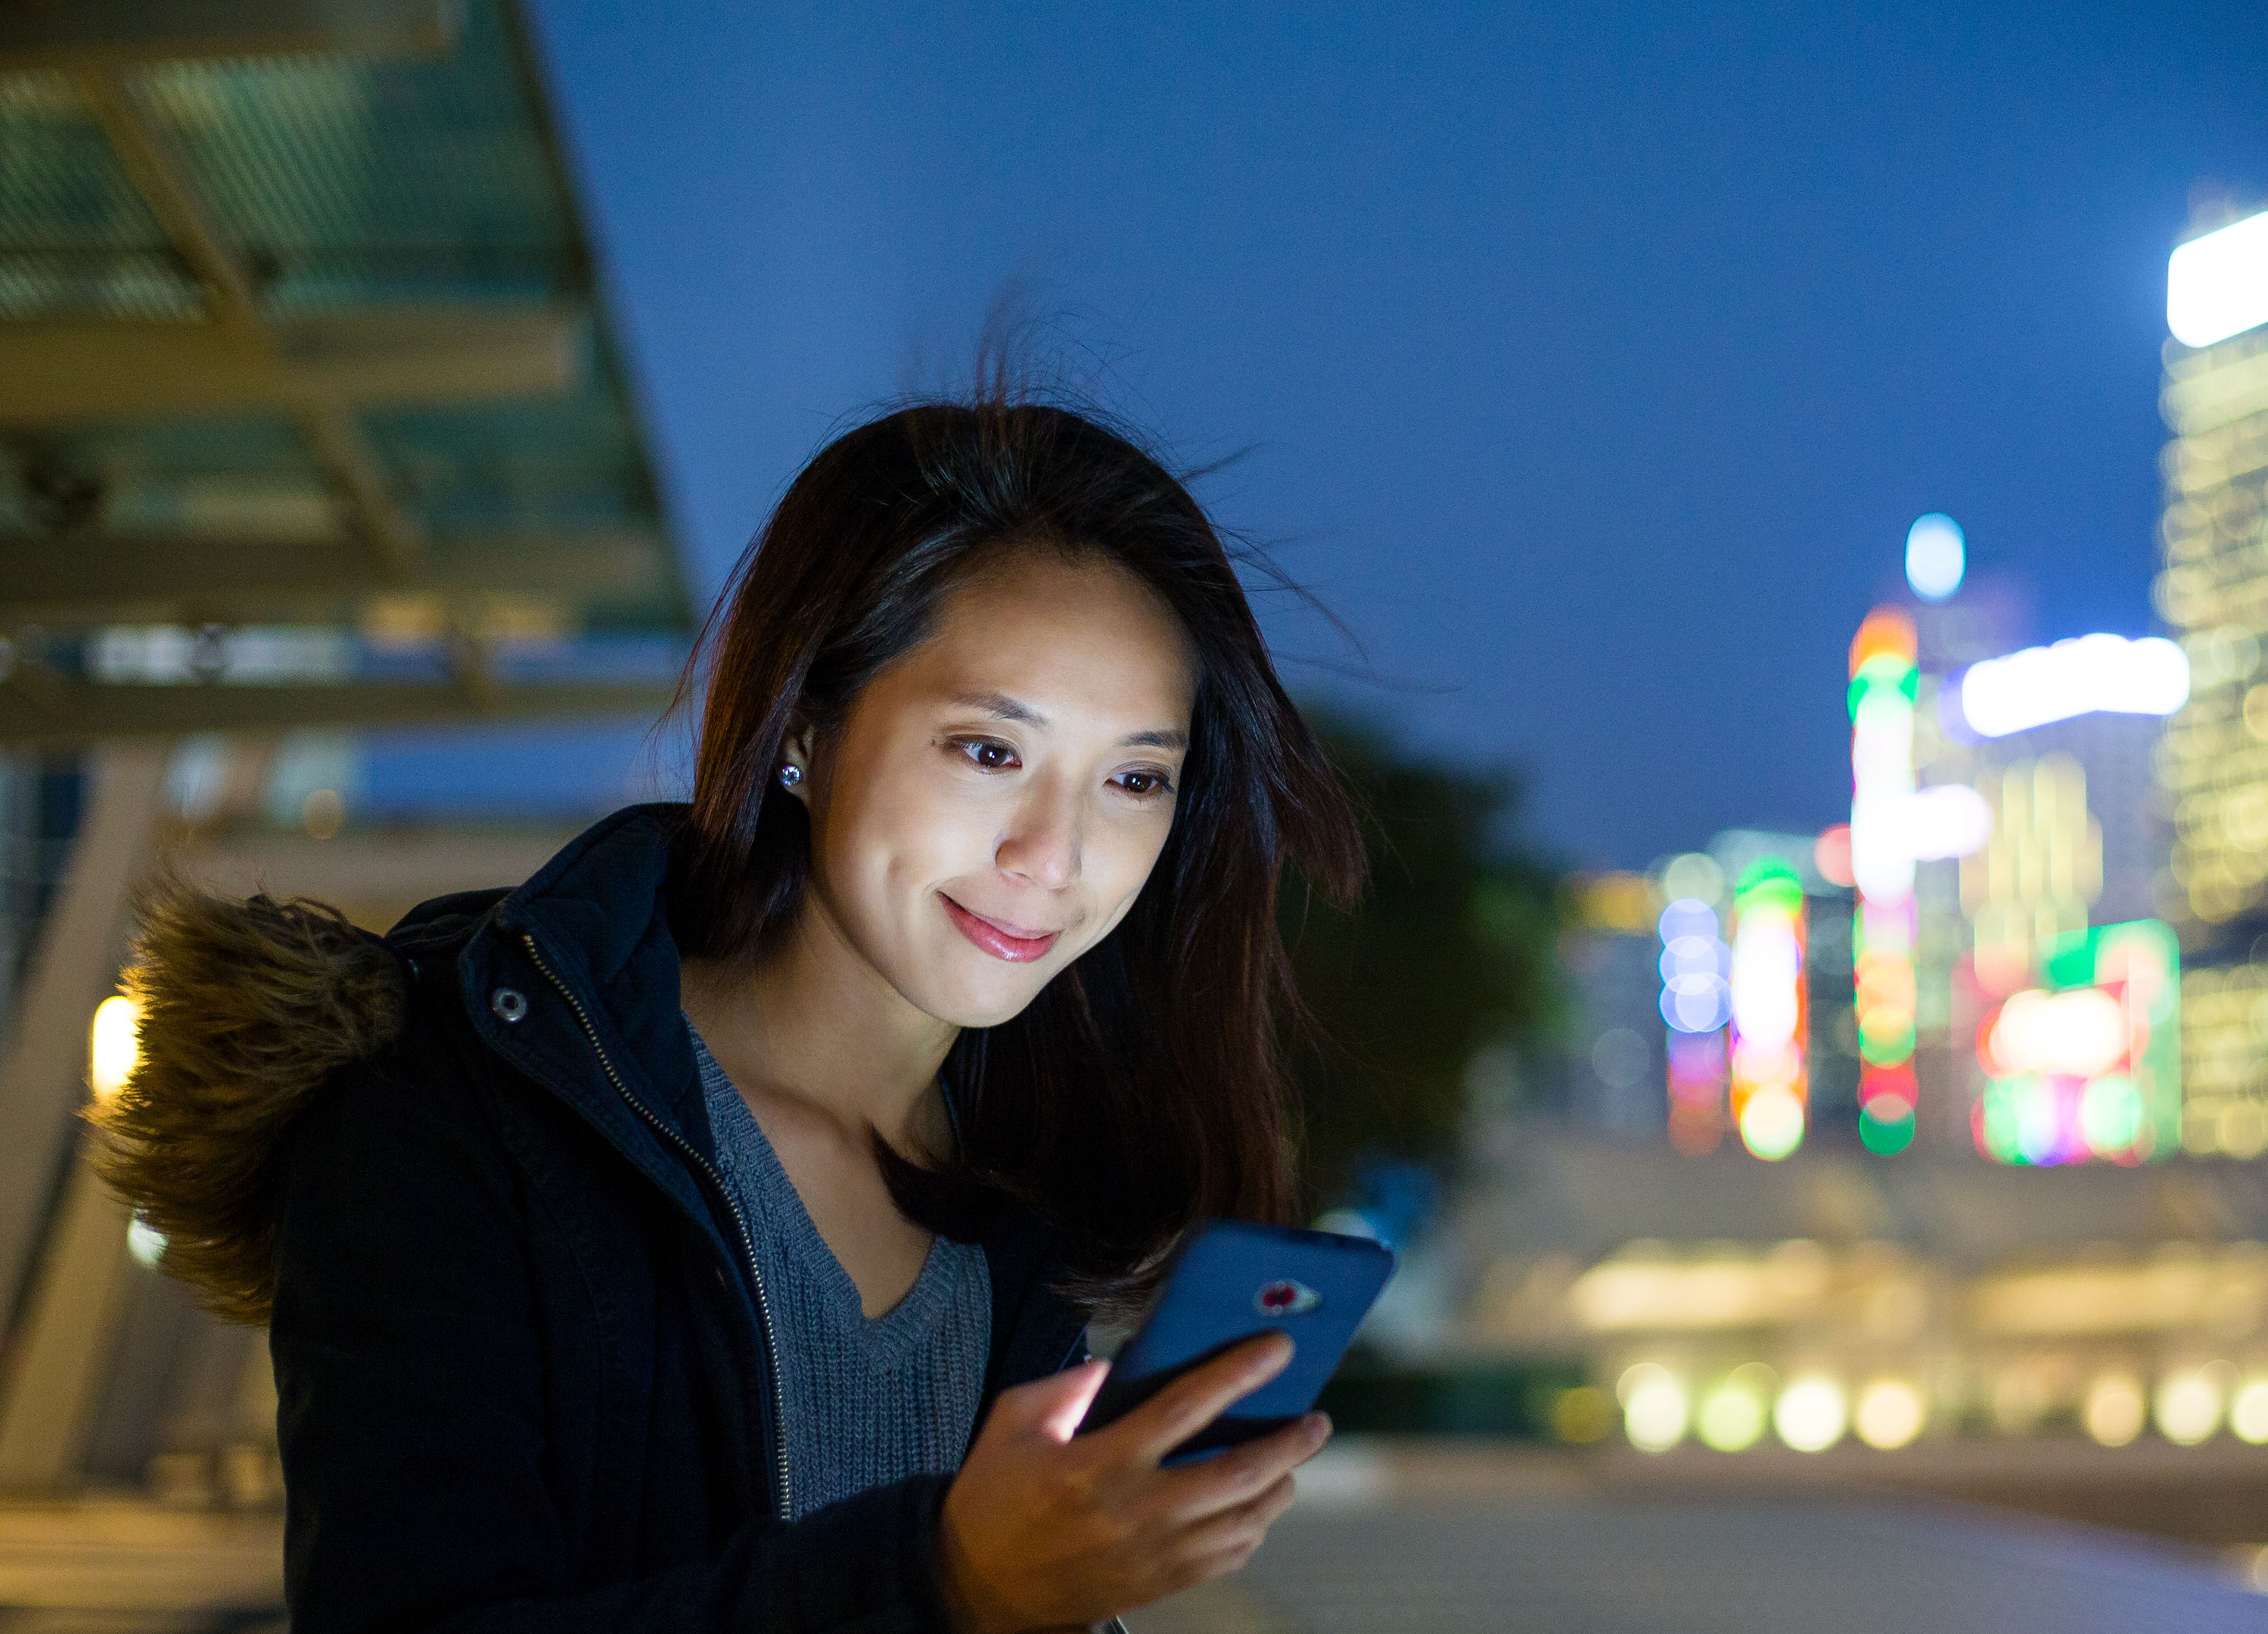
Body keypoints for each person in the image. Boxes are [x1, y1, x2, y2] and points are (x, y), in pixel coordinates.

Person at [93, 393, 1368, 1632]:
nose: (1057, 853)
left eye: (1135, 778)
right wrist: (947, 1583)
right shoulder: (457, 1104)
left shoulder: (1031, 1199)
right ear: (808, 720)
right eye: (989, 751)